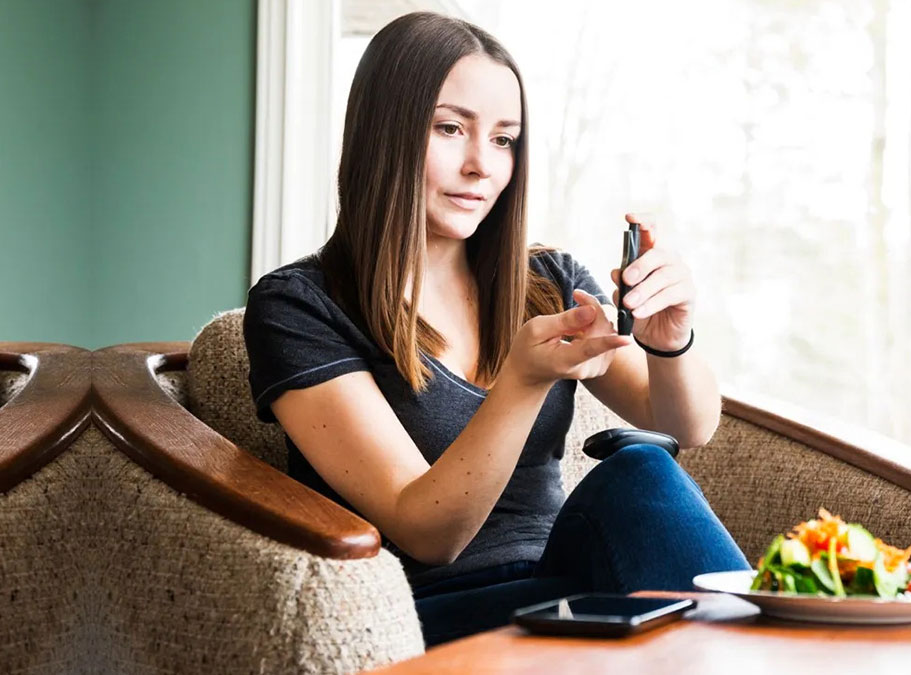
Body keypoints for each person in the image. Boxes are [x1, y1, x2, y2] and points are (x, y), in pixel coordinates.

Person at [242, 11, 748, 646]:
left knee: (643, 467)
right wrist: (522, 382)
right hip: (435, 611)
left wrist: (670, 340)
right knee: (643, 495)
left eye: (505, 139)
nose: (483, 165)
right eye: (451, 129)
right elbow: (427, 533)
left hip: (565, 586)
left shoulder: (546, 280)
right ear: (383, 134)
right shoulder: (301, 307)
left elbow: (686, 425)